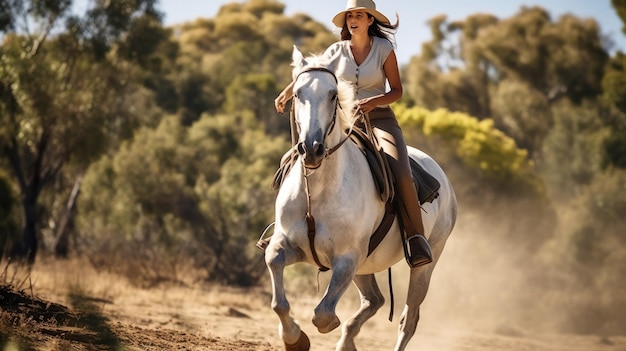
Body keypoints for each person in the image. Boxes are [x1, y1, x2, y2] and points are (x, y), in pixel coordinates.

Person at [274, 0, 432, 268]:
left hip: (379, 119)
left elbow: (397, 91)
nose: (353, 20)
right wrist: (288, 92)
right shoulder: (335, 50)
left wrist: (375, 101)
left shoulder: (384, 49)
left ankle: (415, 237)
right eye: (350, 16)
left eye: (359, 15)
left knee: (401, 172)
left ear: (370, 20)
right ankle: (281, 230)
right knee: (288, 161)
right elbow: (312, 74)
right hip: (344, 121)